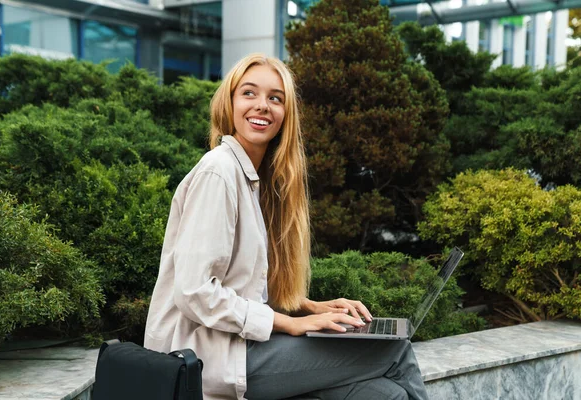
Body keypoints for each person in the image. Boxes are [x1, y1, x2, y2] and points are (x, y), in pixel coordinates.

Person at [144, 53, 429, 400]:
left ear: (285, 114)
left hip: (239, 349)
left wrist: (309, 306)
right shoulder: (218, 171)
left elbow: (244, 289)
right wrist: (291, 324)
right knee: (395, 351)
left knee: (383, 394)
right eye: (249, 93)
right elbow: (194, 291)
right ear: (229, 103)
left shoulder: (255, 180)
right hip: (207, 358)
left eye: (275, 98)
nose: (262, 106)